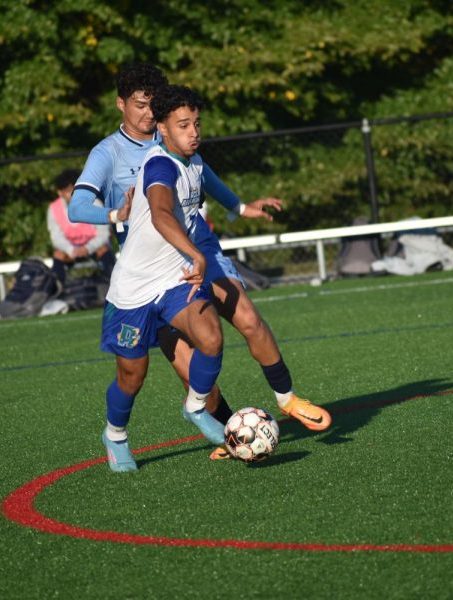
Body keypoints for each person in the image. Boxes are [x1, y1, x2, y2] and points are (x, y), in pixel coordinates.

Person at [70, 63, 331, 457]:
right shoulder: (110, 153)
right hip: (142, 270)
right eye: (140, 105)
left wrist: (239, 206)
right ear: (121, 104)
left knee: (238, 323)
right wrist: (114, 214)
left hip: (192, 252)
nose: (147, 114)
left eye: (153, 106)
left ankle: (280, 401)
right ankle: (212, 430)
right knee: (143, 372)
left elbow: (204, 176)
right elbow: (78, 207)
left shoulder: (182, 141)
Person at [95, 85, 230, 472]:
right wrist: (195, 252)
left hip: (173, 279)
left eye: (197, 123)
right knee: (132, 376)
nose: (194, 132)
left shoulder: (194, 162)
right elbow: (161, 215)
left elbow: (213, 194)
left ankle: (195, 407)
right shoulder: (159, 165)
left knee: (210, 337)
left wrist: (238, 207)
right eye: (183, 125)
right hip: (133, 290)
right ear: (163, 130)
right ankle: (116, 434)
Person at [47, 168, 114, 286]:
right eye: (68, 191)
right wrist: (71, 250)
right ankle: (57, 290)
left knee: (104, 250)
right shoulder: (54, 209)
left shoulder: (94, 203)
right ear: (60, 192)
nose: (73, 194)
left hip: (93, 247)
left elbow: (103, 234)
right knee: (58, 254)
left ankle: (115, 285)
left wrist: (88, 248)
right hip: (70, 250)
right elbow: (56, 238)